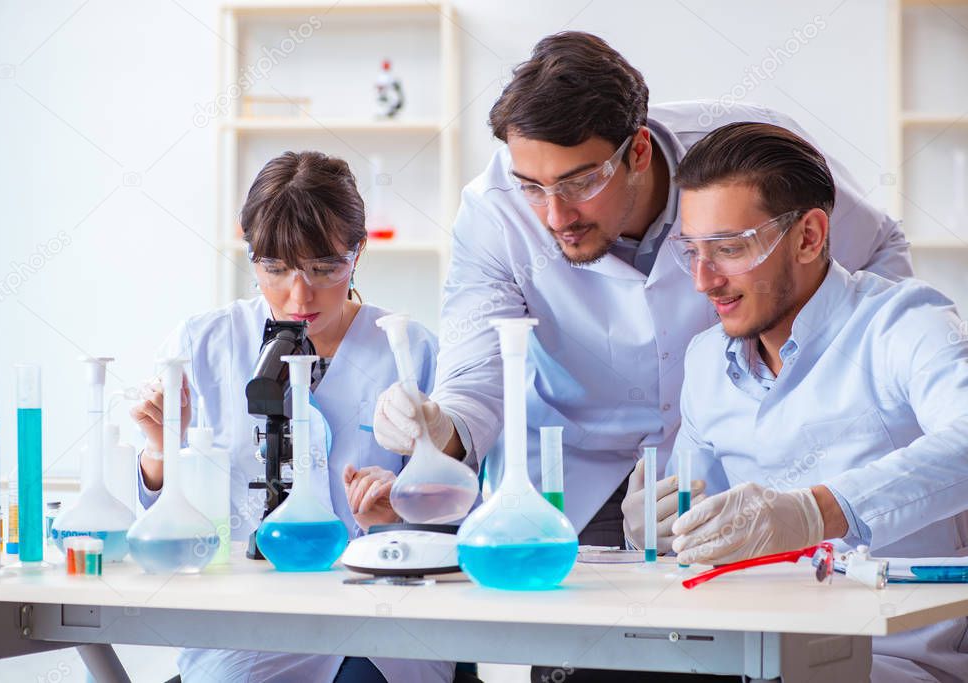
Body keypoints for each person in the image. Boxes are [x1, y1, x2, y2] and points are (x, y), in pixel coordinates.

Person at [374, 31, 911, 550]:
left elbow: (877, 248)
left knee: (732, 626)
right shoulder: (493, 210)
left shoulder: (744, 160)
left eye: (581, 182)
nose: (555, 215)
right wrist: (442, 425)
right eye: (533, 188)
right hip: (569, 475)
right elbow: (477, 373)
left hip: (731, 463)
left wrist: (824, 404)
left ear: (638, 151)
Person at [130, 150, 456, 683]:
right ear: (251, 253)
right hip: (243, 629)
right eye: (275, 268)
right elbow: (156, 525)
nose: (299, 294)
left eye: (325, 268)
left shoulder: (409, 350)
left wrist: (401, 509)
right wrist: (160, 450)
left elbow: (459, 515)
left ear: (359, 252)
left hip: (381, 628)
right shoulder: (203, 345)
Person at [662, 122, 967, 682]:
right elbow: (697, 517)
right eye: (692, 251)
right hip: (746, 655)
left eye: (729, 249)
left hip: (888, 659)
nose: (704, 281)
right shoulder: (706, 360)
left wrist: (819, 512)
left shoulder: (902, 324)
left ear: (808, 236)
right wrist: (664, 527)